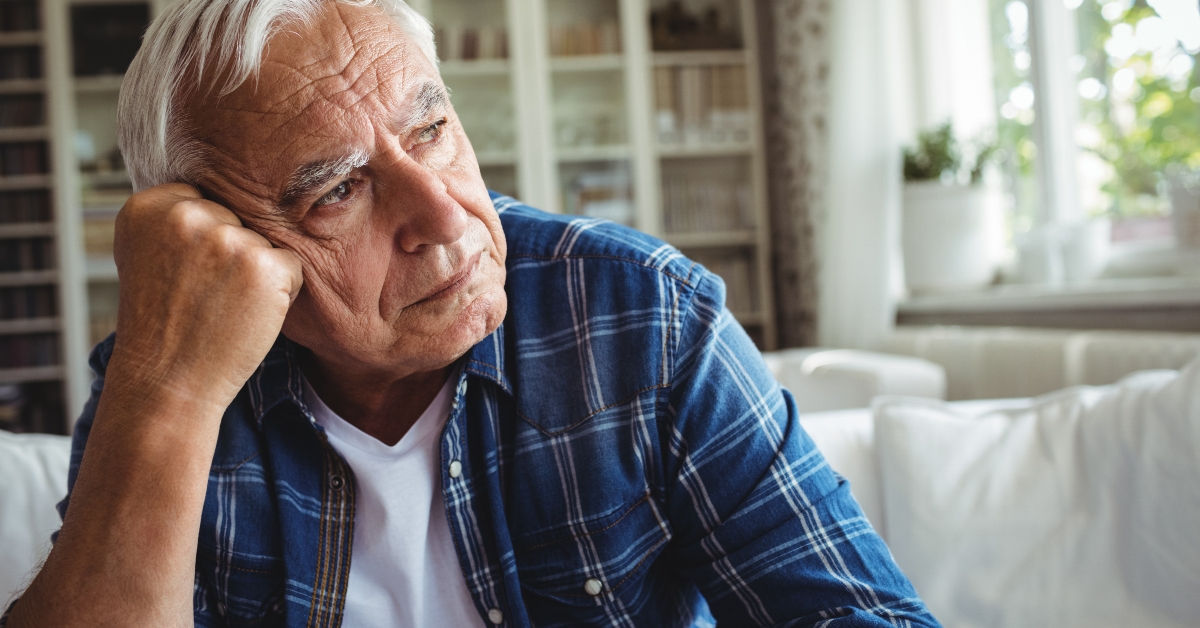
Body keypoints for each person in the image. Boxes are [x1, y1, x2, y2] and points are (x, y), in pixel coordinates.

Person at [3, 0, 939, 626]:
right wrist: (167, 396)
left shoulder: (643, 317)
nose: (447, 216)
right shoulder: (167, 381)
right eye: (337, 190)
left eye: (431, 130)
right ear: (218, 244)